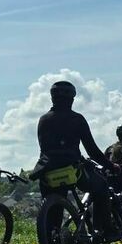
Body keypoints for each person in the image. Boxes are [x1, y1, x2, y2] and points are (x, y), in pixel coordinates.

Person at [35, 80, 117, 221]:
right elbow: (92, 151)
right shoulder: (77, 119)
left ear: (52, 98)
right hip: (72, 169)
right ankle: (103, 229)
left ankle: (51, 238)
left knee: (52, 213)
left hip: (48, 171)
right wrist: (111, 165)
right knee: (101, 187)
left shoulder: (44, 119)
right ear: (72, 99)